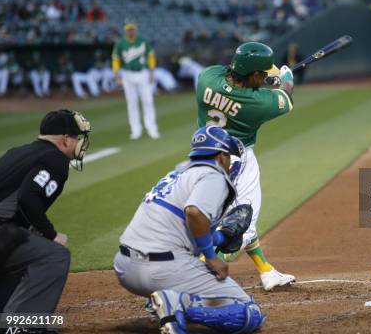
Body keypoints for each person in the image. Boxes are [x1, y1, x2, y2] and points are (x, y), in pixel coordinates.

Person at [114, 125, 265, 334]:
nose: (229, 163)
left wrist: (221, 237)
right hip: (160, 269)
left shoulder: (176, 173)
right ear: (221, 156)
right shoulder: (213, 175)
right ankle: (178, 303)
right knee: (249, 313)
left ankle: (159, 300)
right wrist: (212, 256)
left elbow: (184, 228)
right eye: (229, 157)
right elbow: (194, 213)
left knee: (182, 257)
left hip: (125, 267)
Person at [195, 42, 296, 291]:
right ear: (252, 74)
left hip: (202, 155)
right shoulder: (257, 104)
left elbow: (228, 74)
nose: (264, 77)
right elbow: (286, 96)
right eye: (261, 74)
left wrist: (263, 80)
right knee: (243, 221)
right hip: (237, 159)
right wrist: (285, 78)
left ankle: (266, 271)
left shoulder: (206, 79)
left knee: (236, 215)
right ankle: (193, 272)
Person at [0, 110, 91, 323]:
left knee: (21, 245)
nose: (79, 143)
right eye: (77, 137)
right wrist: (51, 234)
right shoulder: (55, 158)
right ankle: (23, 326)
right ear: (66, 139)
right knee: (54, 255)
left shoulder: (16, 152)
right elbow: (28, 197)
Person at [112, 21, 160, 140]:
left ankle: (152, 128)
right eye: (128, 29)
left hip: (143, 72)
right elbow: (116, 59)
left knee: (148, 101)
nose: (130, 31)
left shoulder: (143, 41)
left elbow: (151, 56)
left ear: (136, 29)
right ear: (125, 30)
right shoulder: (120, 43)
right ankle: (135, 130)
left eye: (132, 29)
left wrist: (152, 71)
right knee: (132, 103)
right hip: (127, 74)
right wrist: (117, 75)